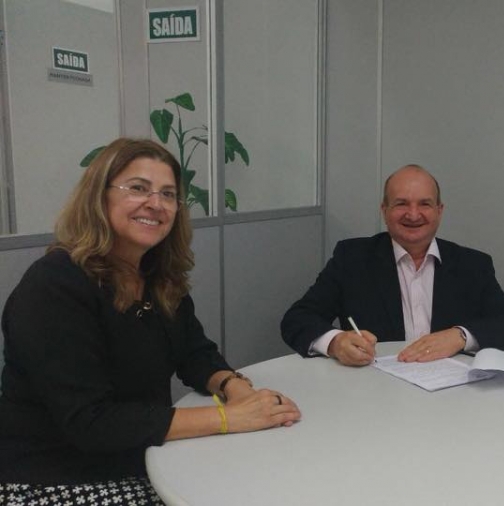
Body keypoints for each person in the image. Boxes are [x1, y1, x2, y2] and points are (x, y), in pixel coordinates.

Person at [0, 138, 301, 504]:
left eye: (168, 194)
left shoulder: (157, 276)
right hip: (56, 476)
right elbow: (91, 423)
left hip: (142, 455)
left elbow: (194, 353)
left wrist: (233, 386)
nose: (155, 204)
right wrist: (229, 418)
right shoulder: (55, 285)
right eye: (138, 188)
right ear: (99, 196)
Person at [281, 164, 504, 366]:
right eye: (401, 203)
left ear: (439, 210)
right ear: (384, 210)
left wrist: (460, 336)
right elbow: (297, 319)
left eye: (424, 204)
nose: (413, 214)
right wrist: (335, 343)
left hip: (453, 395)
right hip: (375, 391)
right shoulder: (353, 259)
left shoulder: (472, 265)